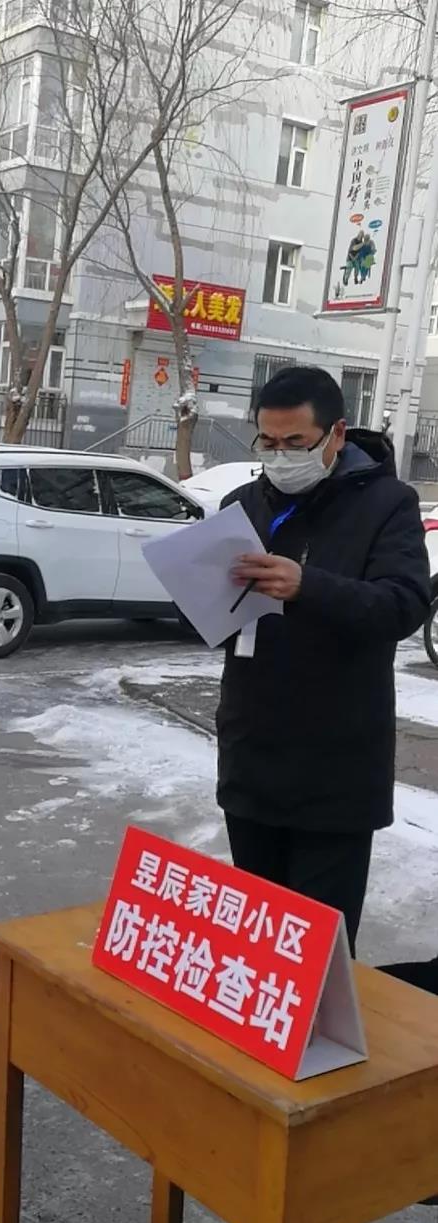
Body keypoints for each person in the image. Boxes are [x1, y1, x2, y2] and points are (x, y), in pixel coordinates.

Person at [217, 365, 430, 956]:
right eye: (267, 442)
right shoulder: (243, 505)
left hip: (335, 767)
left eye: (295, 442)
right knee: (256, 943)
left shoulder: (388, 504)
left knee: (317, 955)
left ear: (336, 433)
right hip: (252, 754)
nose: (280, 457)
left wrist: (307, 585)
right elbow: (214, 617)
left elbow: (403, 605)